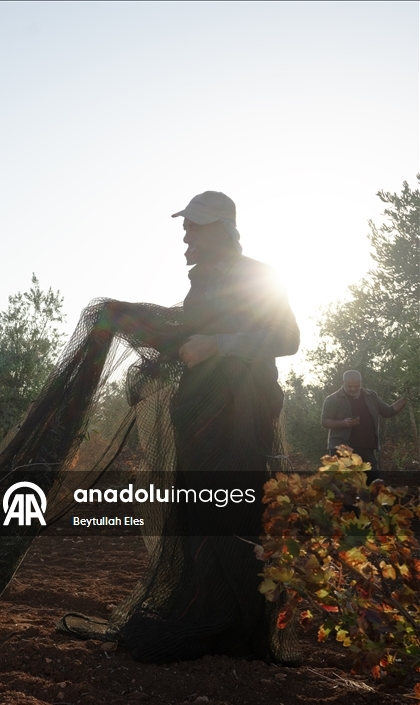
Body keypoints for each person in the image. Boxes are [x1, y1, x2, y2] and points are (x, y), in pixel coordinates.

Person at [121, 190, 301, 661]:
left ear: (223, 229)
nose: (186, 233)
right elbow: (186, 340)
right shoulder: (199, 285)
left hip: (242, 417)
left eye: (196, 225)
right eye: (186, 224)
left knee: (234, 513)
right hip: (198, 419)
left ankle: (236, 628)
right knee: (199, 513)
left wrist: (219, 344)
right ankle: (204, 614)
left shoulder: (259, 277)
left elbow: (286, 337)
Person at [321, 370, 407, 476]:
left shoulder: (371, 396)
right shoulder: (332, 399)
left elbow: (388, 411)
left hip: (367, 449)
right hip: (343, 451)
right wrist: (343, 423)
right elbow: (325, 422)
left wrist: (406, 398)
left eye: (356, 386)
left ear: (361, 382)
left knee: (375, 485)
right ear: (343, 382)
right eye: (349, 386)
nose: (353, 389)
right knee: (347, 488)